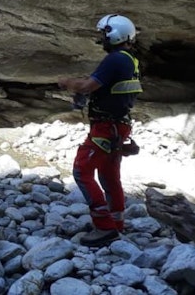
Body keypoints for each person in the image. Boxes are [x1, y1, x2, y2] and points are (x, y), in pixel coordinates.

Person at [58, 14, 143, 247]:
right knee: (108, 175)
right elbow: (104, 84)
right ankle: (117, 222)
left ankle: (104, 227)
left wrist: (66, 82)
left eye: (103, 34)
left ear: (114, 34)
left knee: (81, 171)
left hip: (107, 128)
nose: (101, 39)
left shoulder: (115, 60)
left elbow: (87, 86)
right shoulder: (129, 60)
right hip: (118, 126)